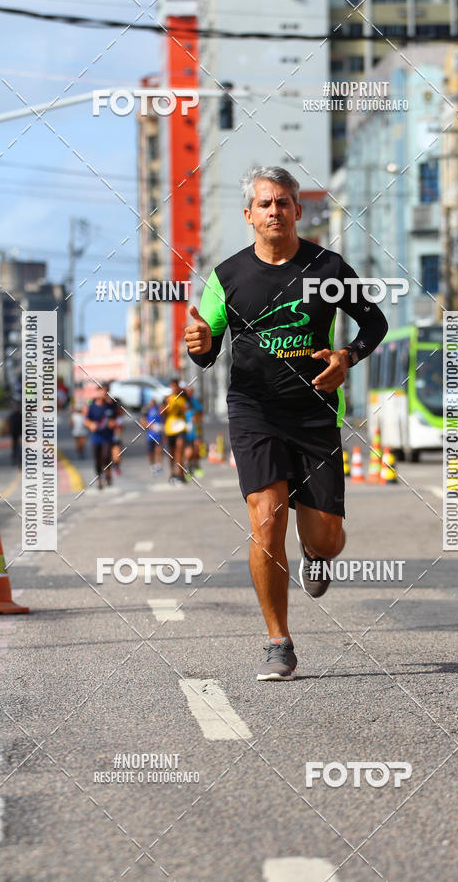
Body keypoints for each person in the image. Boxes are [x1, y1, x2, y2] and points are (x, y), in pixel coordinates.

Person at [185, 165, 388, 681]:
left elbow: (375, 322)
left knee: (327, 539)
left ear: (298, 210)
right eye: (264, 204)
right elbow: (204, 343)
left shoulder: (328, 269)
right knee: (266, 519)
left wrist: (347, 355)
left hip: (315, 414)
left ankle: (314, 553)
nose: (274, 211)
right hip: (254, 410)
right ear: (248, 215)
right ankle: (278, 641)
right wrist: (201, 343)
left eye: (283, 202)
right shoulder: (226, 277)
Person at [84, 383, 117, 489]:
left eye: (105, 391)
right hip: (96, 437)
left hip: (107, 437)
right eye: (101, 391)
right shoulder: (92, 407)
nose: (103, 394)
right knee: (97, 460)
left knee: (106, 456)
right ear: (98, 392)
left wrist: (113, 423)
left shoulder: (111, 406)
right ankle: (99, 479)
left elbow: (117, 418)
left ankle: (108, 475)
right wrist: (91, 425)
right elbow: (86, 421)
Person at [162, 379, 188, 486]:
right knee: (171, 452)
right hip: (170, 428)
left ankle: (180, 473)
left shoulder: (183, 398)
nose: (174, 389)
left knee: (180, 449)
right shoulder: (167, 399)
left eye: (175, 386)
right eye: (172, 386)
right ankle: (172, 473)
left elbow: (187, 409)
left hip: (181, 427)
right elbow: (162, 413)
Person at [183, 385, 203, 478]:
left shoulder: (195, 402)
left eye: (191, 391)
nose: (189, 393)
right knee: (188, 452)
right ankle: (188, 468)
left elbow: (201, 414)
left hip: (195, 431)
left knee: (196, 450)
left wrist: (197, 419)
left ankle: (196, 466)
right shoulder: (182, 401)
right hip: (185, 431)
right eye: (188, 391)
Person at [144, 398, 163, 475]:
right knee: (150, 451)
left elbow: (163, 420)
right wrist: (151, 426)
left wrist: (161, 427)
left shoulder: (159, 410)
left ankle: (158, 465)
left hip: (158, 434)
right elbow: (143, 422)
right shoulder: (146, 410)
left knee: (158, 450)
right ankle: (152, 466)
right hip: (150, 435)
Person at [110, 397, 125, 476]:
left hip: (116, 439)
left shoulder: (120, 417)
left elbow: (121, 428)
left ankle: (116, 466)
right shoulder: (109, 415)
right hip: (108, 438)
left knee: (117, 456)